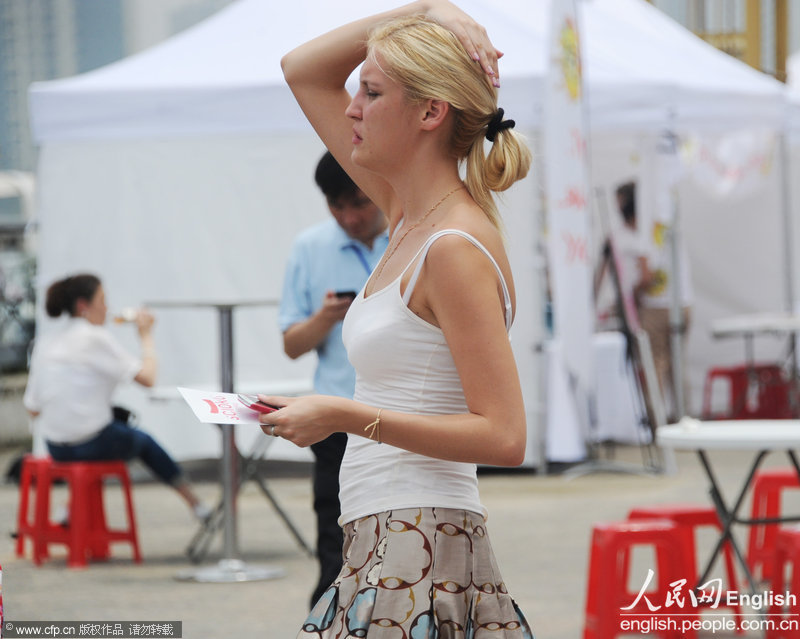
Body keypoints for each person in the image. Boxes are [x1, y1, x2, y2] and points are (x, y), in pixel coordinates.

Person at [260, 1, 533, 636]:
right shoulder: (409, 215)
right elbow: (301, 69)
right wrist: (429, 8)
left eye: (372, 91)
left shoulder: (453, 247)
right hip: (389, 528)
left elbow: (504, 436)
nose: (351, 107)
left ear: (431, 113)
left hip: (420, 533)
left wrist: (340, 413)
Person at [279, 150, 388, 608]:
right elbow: (292, 344)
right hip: (335, 420)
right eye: (336, 206)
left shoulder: (416, 238)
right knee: (335, 537)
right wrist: (324, 318)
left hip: (399, 418)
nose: (349, 217)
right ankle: (327, 618)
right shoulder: (310, 247)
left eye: (359, 203)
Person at [23, 273, 211, 523]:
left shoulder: (46, 342)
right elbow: (148, 378)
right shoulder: (94, 337)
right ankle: (196, 504)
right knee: (141, 441)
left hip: (55, 446)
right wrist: (146, 335)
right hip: (91, 443)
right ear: (83, 305)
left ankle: (68, 509)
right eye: (102, 299)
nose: (107, 307)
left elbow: (33, 408)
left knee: (108, 432)